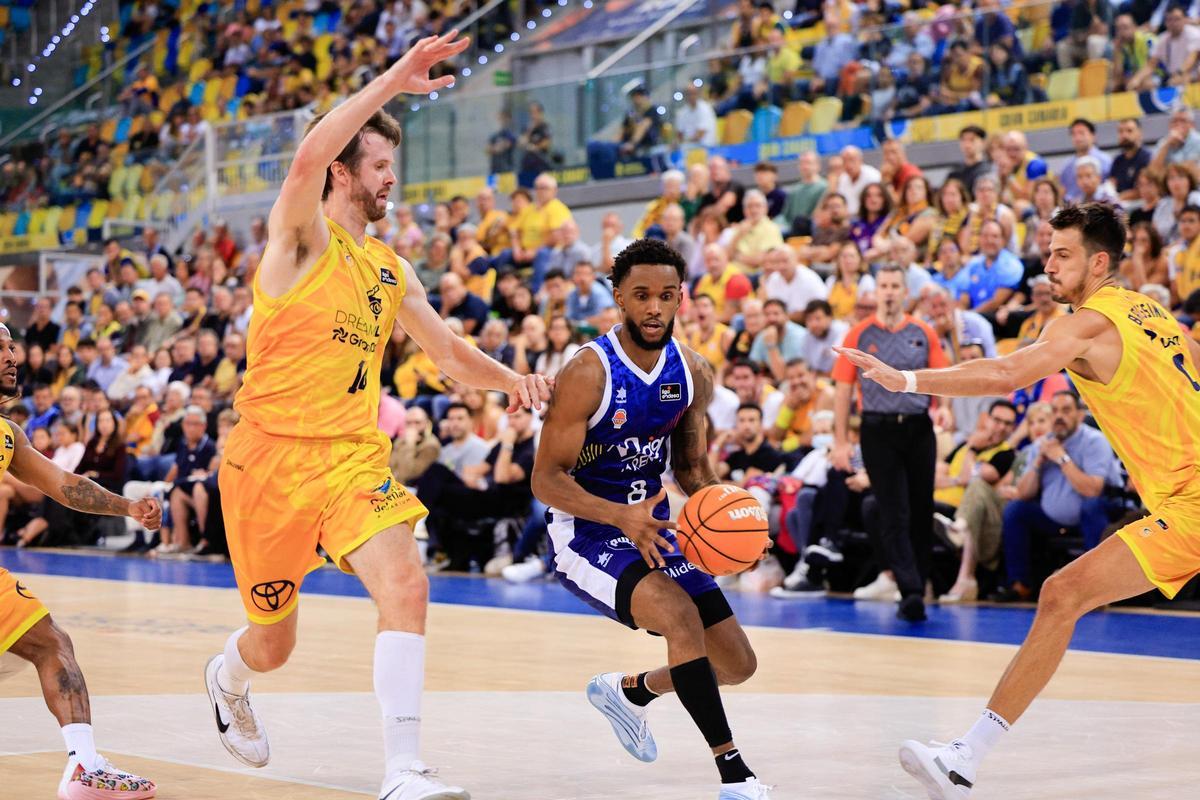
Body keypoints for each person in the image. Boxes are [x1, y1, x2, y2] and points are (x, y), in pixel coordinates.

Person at [204, 33, 552, 800]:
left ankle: (403, 769)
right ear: (342, 171)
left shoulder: (392, 268)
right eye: (381, 165)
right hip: (267, 462)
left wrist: (514, 381)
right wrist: (394, 79)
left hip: (352, 459)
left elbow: (451, 355)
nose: (394, 178)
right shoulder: (300, 240)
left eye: (394, 165)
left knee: (408, 585)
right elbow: (301, 160)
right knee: (273, 645)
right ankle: (228, 676)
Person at [833, 203, 1200, 800]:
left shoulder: (1086, 323)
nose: (1047, 265)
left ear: (1098, 262)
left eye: (1062, 255)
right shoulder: (1151, 312)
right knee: (1063, 595)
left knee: (1061, 594)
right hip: (1181, 499)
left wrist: (906, 380)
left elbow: (1007, 374)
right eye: (1047, 251)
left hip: (1191, 502)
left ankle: (963, 761)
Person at [531, 238, 770, 800]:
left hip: (657, 530)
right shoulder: (587, 372)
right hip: (587, 533)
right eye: (641, 295)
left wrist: (735, 522)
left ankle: (632, 692)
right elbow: (546, 480)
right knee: (681, 619)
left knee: (737, 664)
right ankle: (734, 773)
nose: (654, 307)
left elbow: (691, 467)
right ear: (619, 298)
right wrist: (622, 516)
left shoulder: (692, 372)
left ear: (681, 298)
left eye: (666, 295)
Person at [0, 323, 161, 798]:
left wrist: (125, 507)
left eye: (13, 345)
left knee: (52, 644)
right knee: (52, 646)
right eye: (0, 348)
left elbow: (64, 483)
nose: (12, 355)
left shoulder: (8, 436)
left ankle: (85, 765)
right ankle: (84, 766)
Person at [831, 264, 949, 622]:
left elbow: (939, 377)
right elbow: (843, 390)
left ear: (905, 291)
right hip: (877, 429)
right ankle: (910, 590)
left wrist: (944, 410)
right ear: (876, 290)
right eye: (884, 285)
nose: (889, 291)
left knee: (920, 509)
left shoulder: (922, 332)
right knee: (892, 508)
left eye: (896, 285)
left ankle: (918, 580)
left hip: (918, 428)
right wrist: (839, 440)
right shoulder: (859, 334)